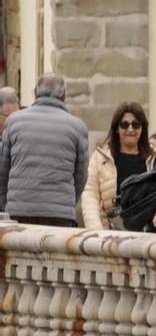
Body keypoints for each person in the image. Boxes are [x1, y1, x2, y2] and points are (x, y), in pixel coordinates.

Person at [0, 73, 90, 226]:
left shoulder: (13, 122)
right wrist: (66, 202)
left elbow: (3, 170)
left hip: (19, 210)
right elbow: (81, 175)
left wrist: (6, 204)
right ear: (64, 96)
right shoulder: (77, 127)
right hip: (59, 213)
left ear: (35, 94)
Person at [81, 100, 151, 229]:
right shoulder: (101, 156)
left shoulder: (154, 157)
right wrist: (96, 230)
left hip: (147, 231)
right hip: (111, 231)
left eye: (136, 124)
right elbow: (90, 194)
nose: (130, 129)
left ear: (142, 128)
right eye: (124, 125)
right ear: (117, 128)